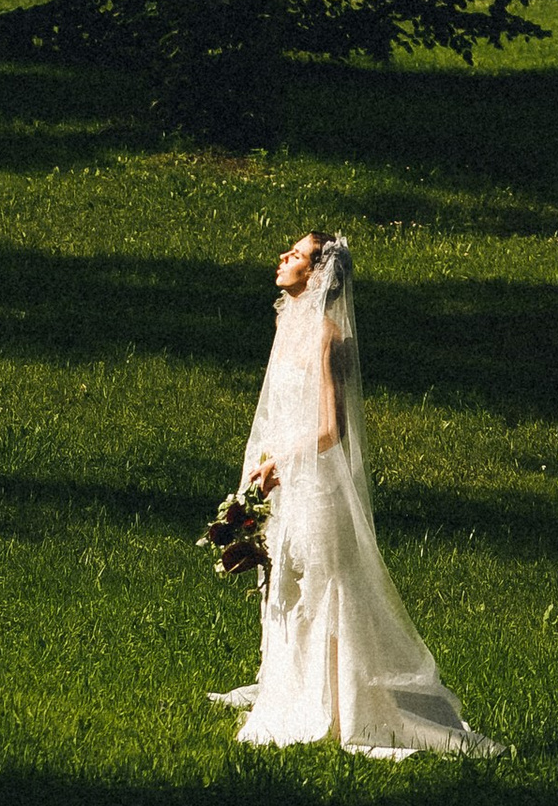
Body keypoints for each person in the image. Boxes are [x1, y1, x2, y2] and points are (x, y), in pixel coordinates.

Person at [211, 228, 502, 758]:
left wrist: (283, 460)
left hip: (314, 483)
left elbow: (331, 428)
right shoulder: (286, 323)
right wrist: (260, 468)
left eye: (296, 255)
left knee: (327, 586)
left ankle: (342, 706)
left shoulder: (326, 336)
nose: (283, 258)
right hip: (283, 480)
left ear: (317, 273)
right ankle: (291, 686)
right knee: (286, 584)